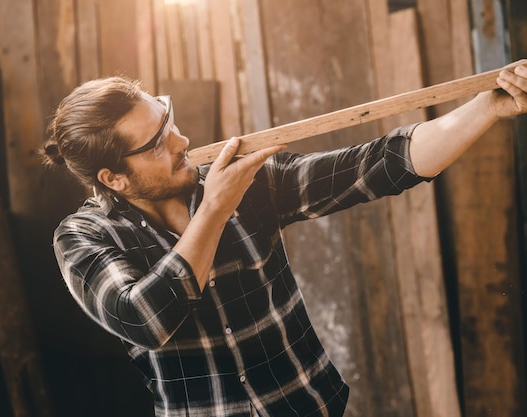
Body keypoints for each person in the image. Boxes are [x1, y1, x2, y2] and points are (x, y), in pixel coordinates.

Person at [41, 61, 527, 417]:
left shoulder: (251, 183)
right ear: (114, 178)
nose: (181, 141)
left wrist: (487, 107)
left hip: (311, 407)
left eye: (167, 120)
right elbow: (144, 319)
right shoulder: (84, 237)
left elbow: (382, 164)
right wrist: (214, 209)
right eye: (155, 143)